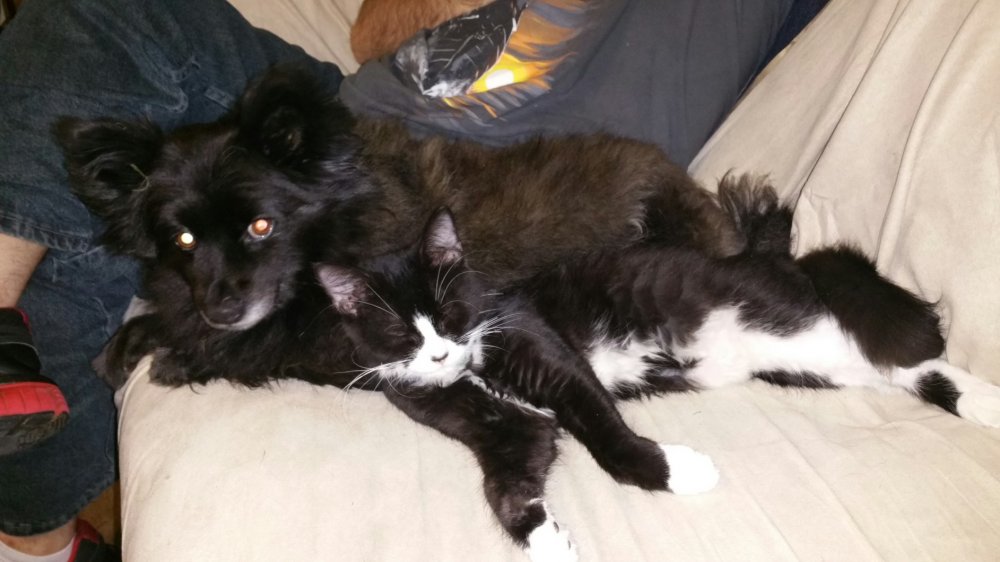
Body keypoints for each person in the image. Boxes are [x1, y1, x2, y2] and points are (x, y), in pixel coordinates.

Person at [0, 0, 812, 559]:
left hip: (504, 169)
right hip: (346, 105)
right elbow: (373, 29)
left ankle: (33, 528)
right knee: (91, 16)